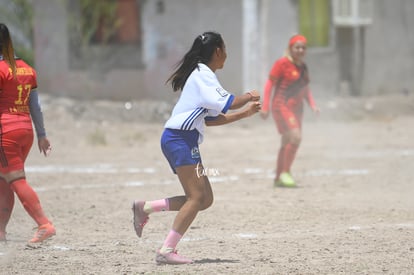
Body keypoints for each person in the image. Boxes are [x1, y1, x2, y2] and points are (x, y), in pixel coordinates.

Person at [132, 31, 261, 265]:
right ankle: (166, 250)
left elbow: (211, 119)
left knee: (205, 199)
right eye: (225, 50)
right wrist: (249, 96)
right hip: (179, 139)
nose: (226, 55)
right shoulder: (203, 74)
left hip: (182, 139)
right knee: (197, 196)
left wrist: (245, 114)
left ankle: (147, 207)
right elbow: (230, 102)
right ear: (218, 51)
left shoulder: (202, 75)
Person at [0, 23, 55, 243]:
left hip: (6, 131)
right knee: (4, 181)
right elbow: (36, 106)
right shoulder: (27, 68)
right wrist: (41, 134)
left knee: (15, 179)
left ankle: (44, 225)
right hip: (25, 131)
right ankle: (1, 232)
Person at [261, 34, 320, 188]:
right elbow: (269, 84)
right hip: (282, 106)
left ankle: (278, 177)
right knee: (296, 137)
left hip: (297, 109)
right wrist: (265, 106)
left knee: (287, 140)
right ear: (290, 48)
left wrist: (312, 105)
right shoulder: (282, 63)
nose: (300, 50)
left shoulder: (303, 67)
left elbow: (305, 89)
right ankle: (286, 172)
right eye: (297, 47)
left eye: (303, 48)